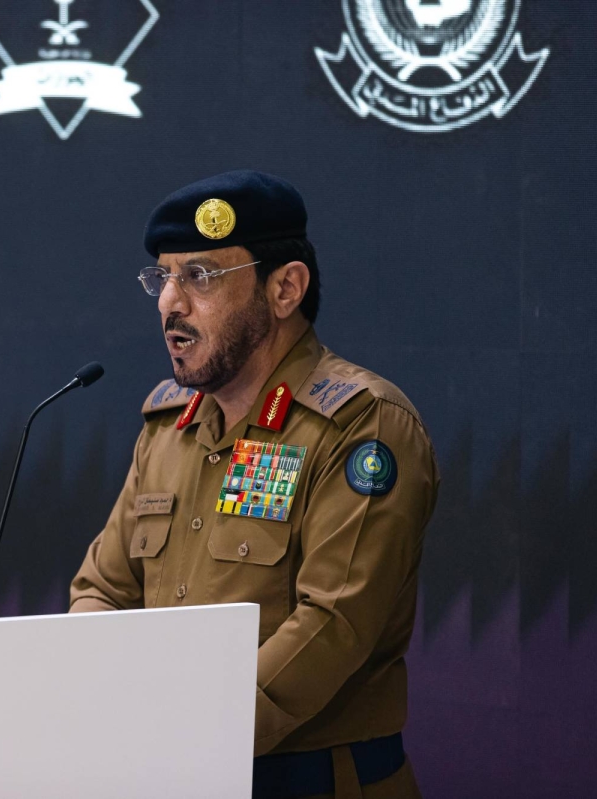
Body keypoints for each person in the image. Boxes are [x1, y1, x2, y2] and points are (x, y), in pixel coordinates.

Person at [69, 170, 439, 799]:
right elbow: (102, 591)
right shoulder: (168, 428)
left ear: (285, 288)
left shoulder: (361, 423)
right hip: (173, 773)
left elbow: (333, 623)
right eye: (163, 278)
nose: (169, 303)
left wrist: (182, 733)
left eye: (200, 276)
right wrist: (101, 705)